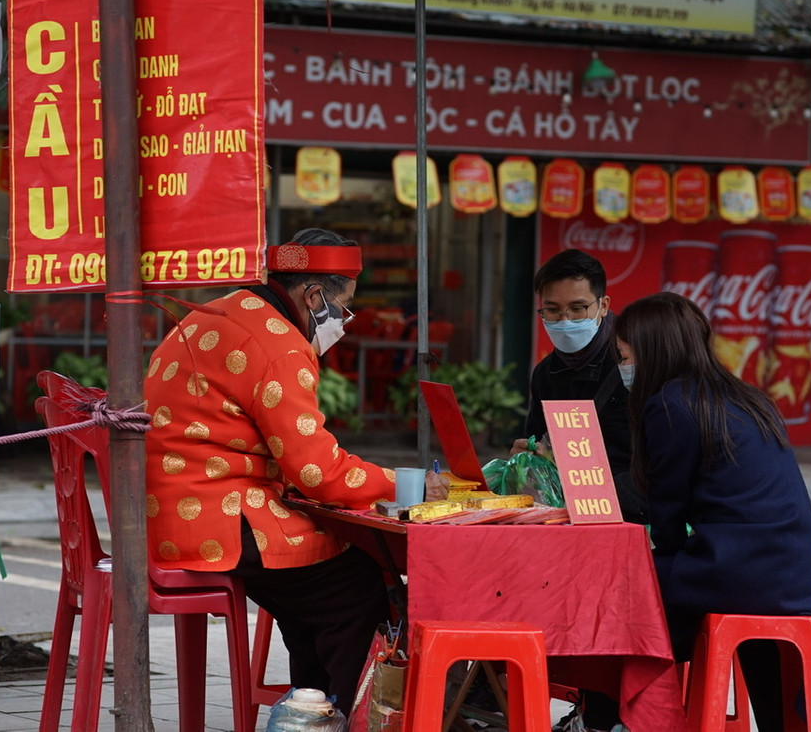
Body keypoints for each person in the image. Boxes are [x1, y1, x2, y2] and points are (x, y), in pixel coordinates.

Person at [143, 228, 446, 711]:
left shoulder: (220, 310)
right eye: (343, 306)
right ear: (314, 295)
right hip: (221, 521)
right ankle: (350, 715)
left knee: (317, 589)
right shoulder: (279, 344)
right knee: (356, 586)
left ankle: (312, 709)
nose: (343, 321)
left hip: (170, 515)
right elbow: (317, 473)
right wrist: (407, 484)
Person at [613, 292, 811, 732]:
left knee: (619, 580)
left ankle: (631, 715)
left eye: (625, 357)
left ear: (652, 351)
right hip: (792, 573)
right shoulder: (748, 398)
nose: (623, 368)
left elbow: (669, 518)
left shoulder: (672, 405)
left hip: (739, 571)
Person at [514, 249, 643, 732]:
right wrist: (528, 455)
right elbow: (537, 444)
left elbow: (654, 462)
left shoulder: (631, 365)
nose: (565, 320)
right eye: (553, 310)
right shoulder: (546, 374)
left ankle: (605, 714)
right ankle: (499, 688)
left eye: (578, 309)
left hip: (629, 517)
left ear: (603, 306)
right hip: (567, 519)